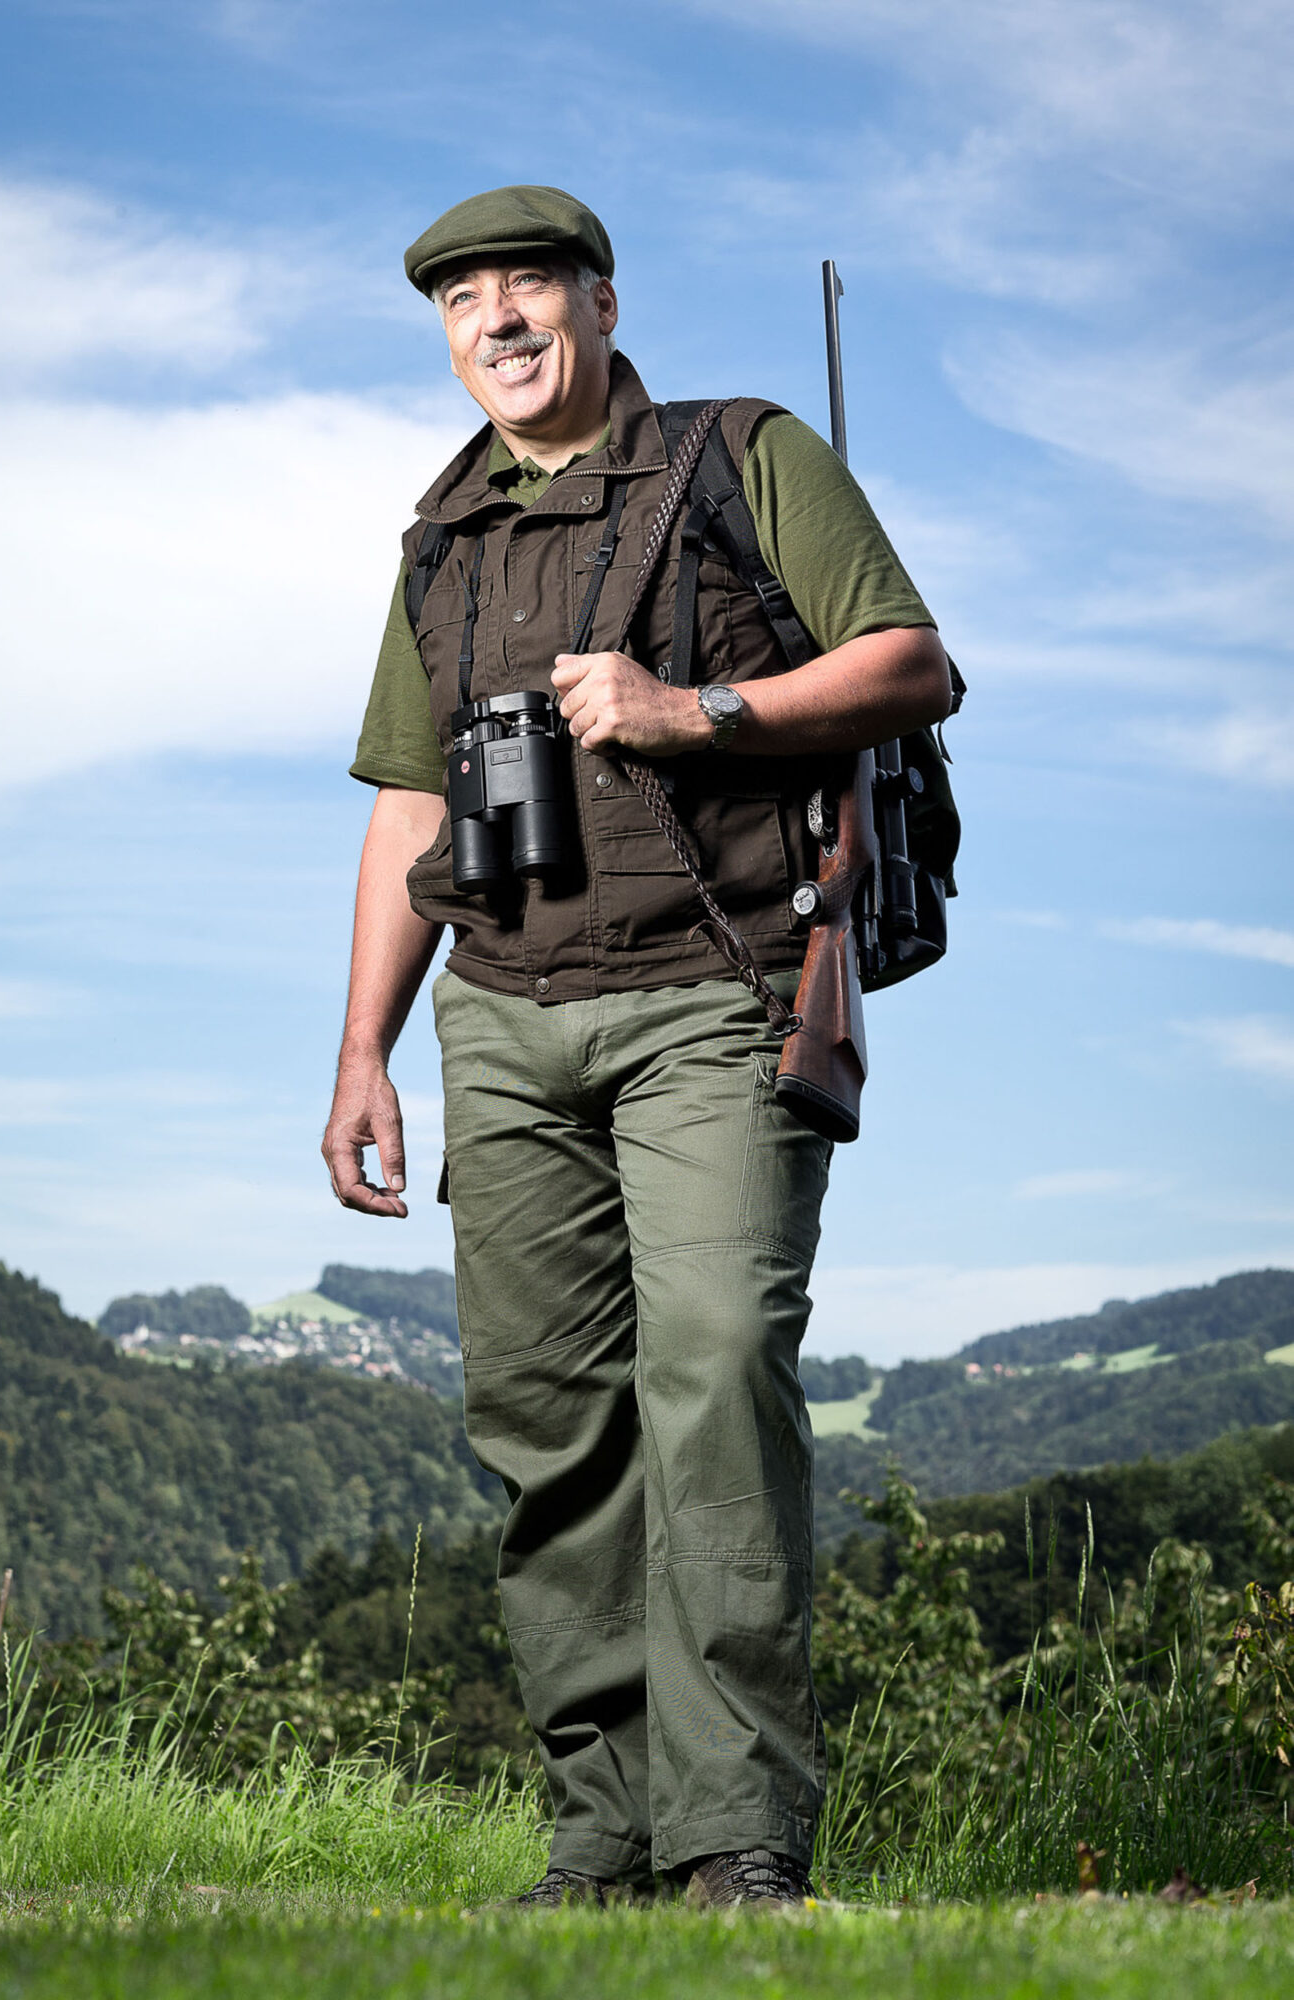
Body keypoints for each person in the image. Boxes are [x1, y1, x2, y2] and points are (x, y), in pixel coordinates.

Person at [322, 185, 952, 1908]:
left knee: (715, 1378)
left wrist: (704, 712)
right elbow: (406, 807)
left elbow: (913, 661)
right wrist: (364, 1050)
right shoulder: (437, 540)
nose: (498, 320)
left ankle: (736, 1835)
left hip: (717, 991)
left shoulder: (744, 456)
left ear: (601, 302)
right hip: (502, 1017)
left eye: (529, 286)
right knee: (546, 1423)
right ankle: (600, 1843)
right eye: (463, 301)